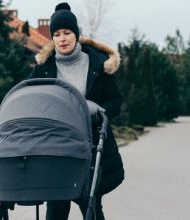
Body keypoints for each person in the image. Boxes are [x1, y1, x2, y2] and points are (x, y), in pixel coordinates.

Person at [30, 2, 124, 219]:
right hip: (55, 148)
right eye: (56, 34)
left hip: (89, 148)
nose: (62, 38)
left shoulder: (98, 65)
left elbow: (116, 103)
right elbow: (32, 103)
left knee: (90, 206)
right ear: (52, 38)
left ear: (76, 34)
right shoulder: (43, 69)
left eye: (67, 32)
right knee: (56, 209)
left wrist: (97, 110)